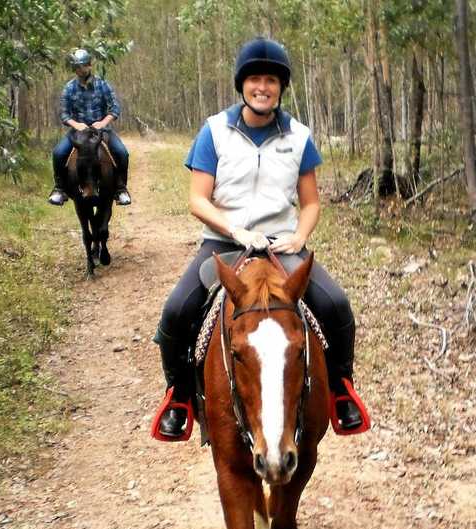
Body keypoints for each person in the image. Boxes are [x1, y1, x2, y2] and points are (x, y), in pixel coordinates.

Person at [152, 37, 368, 441]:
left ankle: (341, 391)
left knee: (336, 305)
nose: (263, 87)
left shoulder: (299, 137)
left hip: (279, 245)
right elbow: (198, 199)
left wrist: (299, 236)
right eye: (255, 79)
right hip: (224, 243)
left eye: (271, 80)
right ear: (242, 85)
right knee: (176, 310)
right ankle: (179, 397)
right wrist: (234, 230)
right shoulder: (215, 132)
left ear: (281, 87)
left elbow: (310, 203)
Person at [48, 48, 132, 207]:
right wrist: (76, 124)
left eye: (82, 66)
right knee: (58, 153)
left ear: (89, 65)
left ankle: (121, 189)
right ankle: (60, 189)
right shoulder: (69, 88)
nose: (80, 70)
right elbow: (64, 114)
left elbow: (114, 109)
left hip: (101, 131)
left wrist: (103, 122)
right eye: (77, 67)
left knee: (122, 153)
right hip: (77, 132)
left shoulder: (103, 85)